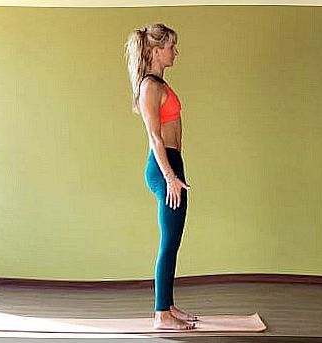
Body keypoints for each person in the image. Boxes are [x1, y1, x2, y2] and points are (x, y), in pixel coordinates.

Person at [124, 23, 199, 330]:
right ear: (156, 51)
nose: (175, 52)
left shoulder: (158, 84)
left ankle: (167, 305)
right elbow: (155, 137)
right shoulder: (150, 87)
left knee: (174, 240)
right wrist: (169, 176)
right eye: (171, 46)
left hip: (172, 163)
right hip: (164, 165)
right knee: (168, 242)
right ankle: (161, 315)